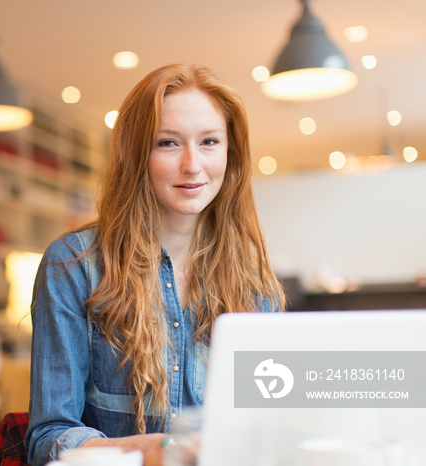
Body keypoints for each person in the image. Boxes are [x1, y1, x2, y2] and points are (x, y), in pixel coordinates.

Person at [25, 64, 285, 466]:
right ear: (136, 154)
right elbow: (47, 438)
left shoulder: (253, 281)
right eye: (168, 143)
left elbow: (266, 425)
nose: (192, 165)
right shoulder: (74, 266)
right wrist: (140, 449)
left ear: (230, 154)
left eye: (210, 142)